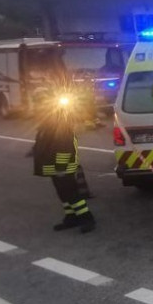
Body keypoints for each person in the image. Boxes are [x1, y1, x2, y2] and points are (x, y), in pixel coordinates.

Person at [30, 93, 95, 233]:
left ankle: (86, 218)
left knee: (71, 193)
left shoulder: (57, 122)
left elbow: (64, 146)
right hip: (53, 166)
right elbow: (44, 142)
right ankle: (71, 217)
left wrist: (61, 167)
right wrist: (35, 151)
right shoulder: (47, 122)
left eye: (38, 104)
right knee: (63, 193)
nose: (36, 107)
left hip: (62, 167)